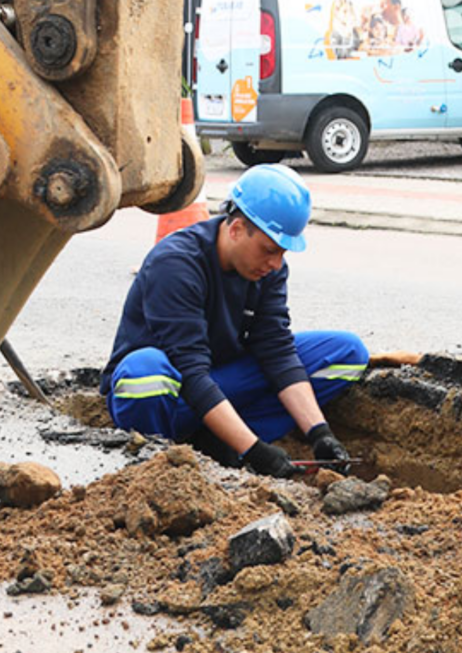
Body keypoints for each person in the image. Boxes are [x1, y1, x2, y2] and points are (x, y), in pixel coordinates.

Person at [100, 164, 369, 477]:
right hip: (170, 396)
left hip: (219, 382)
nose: (276, 263)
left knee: (347, 354)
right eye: (269, 250)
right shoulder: (175, 264)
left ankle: (215, 441)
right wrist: (255, 450)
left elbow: (277, 350)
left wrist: (320, 433)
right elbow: (189, 370)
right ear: (236, 229)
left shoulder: (269, 269)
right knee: (144, 373)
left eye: (283, 253)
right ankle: (162, 460)